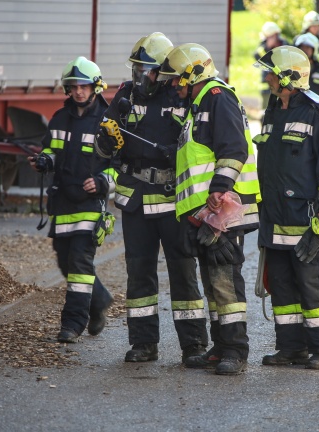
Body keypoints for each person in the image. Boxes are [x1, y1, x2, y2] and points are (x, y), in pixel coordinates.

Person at [94, 32, 209, 363]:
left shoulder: (182, 95)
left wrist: (176, 152)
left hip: (174, 200)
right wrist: (106, 139)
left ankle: (194, 346)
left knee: (183, 273)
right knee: (139, 273)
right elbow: (101, 151)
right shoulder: (126, 95)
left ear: (164, 70)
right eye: (137, 69)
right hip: (136, 201)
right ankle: (144, 343)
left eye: (148, 70)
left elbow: (200, 145)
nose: (141, 77)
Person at [156, 43, 261, 375]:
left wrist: (219, 188)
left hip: (225, 211)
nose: (174, 85)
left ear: (192, 74)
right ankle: (220, 346)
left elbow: (234, 148)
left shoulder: (218, 97)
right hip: (207, 214)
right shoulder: (198, 104)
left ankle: (235, 351)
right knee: (212, 278)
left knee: (225, 280)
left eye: (177, 79)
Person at [253, 45, 319, 370]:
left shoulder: (316, 112)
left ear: (288, 77)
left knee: (311, 286)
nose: (267, 78)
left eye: (271, 73)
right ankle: (291, 348)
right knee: (281, 286)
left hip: (304, 218)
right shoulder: (273, 110)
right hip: (274, 219)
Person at [28, 56, 115, 343]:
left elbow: (123, 164)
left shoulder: (108, 121)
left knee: (79, 264)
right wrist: (44, 161)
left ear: (96, 87)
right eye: (74, 86)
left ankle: (73, 324)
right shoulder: (59, 118)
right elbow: (52, 151)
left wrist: (104, 181)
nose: (79, 91)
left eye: (84, 86)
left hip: (91, 207)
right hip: (62, 203)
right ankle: (99, 300)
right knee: (66, 264)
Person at [254, 22, 289, 110]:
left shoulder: (285, 44)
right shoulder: (263, 46)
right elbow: (257, 56)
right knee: (265, 110)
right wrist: (268, 47)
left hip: (283, 83)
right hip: (267, 84)